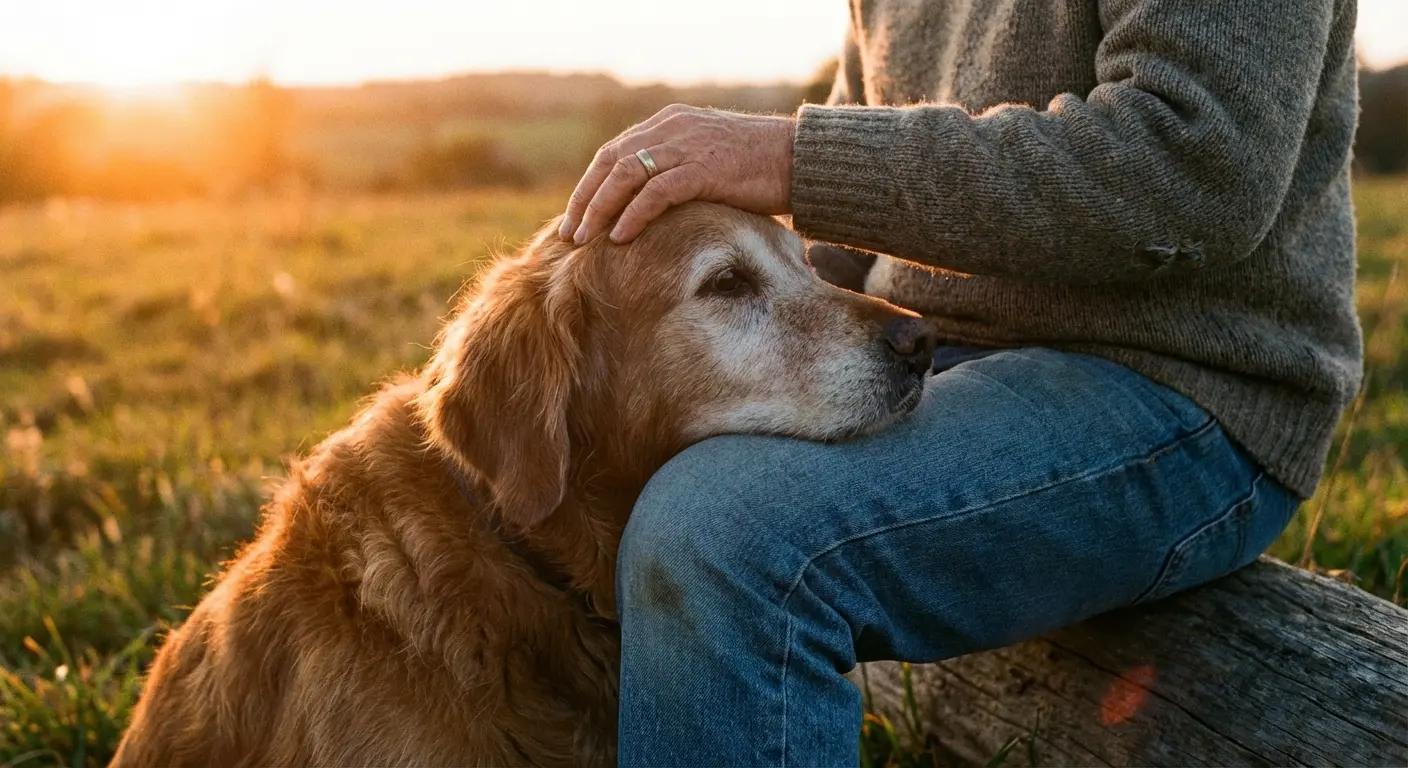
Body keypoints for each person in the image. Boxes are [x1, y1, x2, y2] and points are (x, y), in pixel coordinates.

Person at [559, 1, 1363, 764]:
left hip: (1174, 386)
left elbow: (1195, 167)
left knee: (718, 531)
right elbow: (853, 218)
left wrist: (783, 157)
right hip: (938, 353)